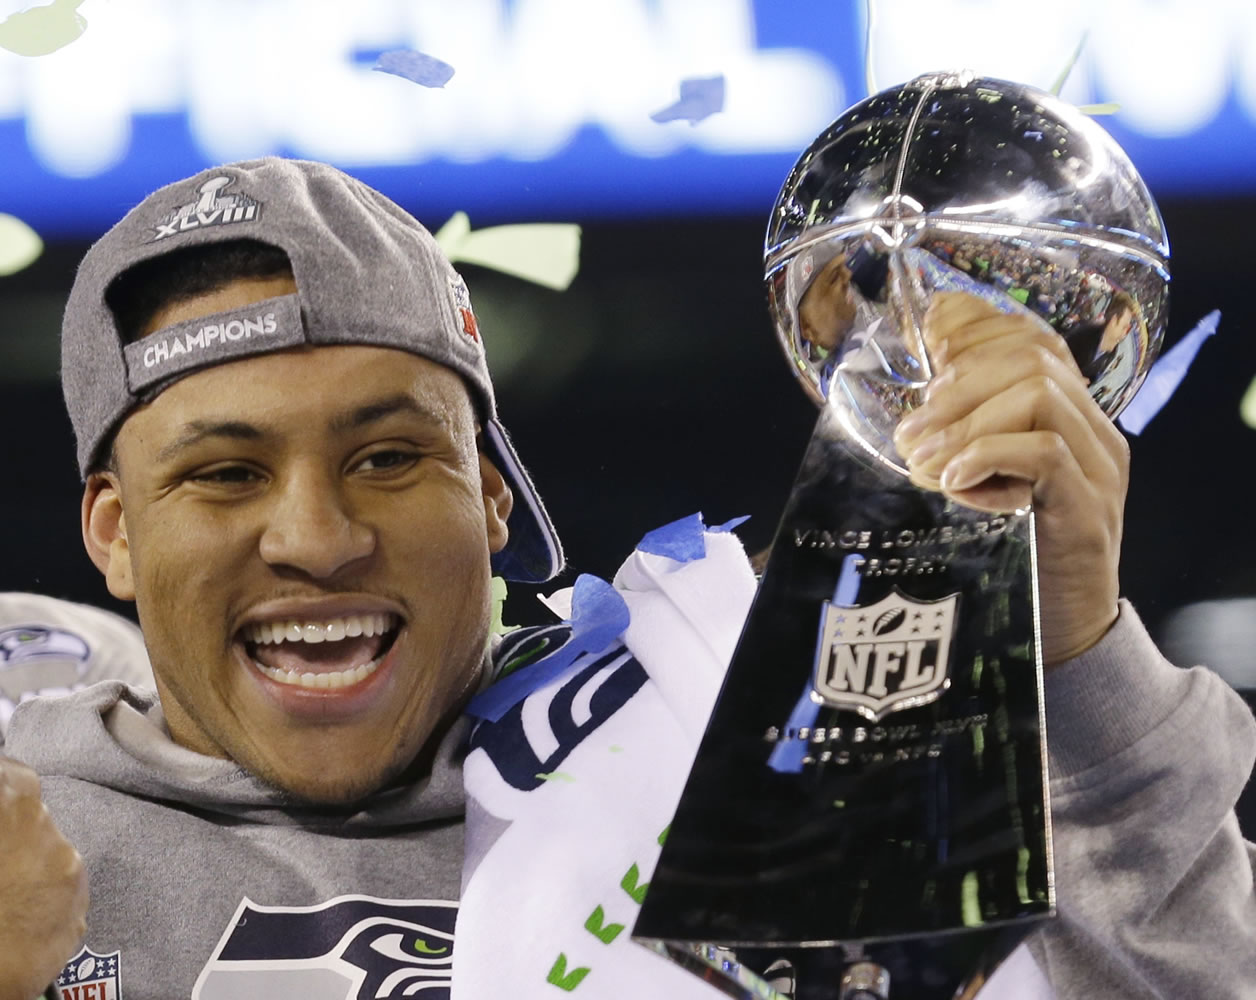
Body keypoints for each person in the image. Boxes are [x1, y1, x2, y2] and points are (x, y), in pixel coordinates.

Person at [0, 157, 1252, 1000]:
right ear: (111, 530)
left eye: (388, 457)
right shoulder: (27, 839)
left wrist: (1078, 679)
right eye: (223, 475)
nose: (315, 536)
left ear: (491, 498)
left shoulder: (742, 738)